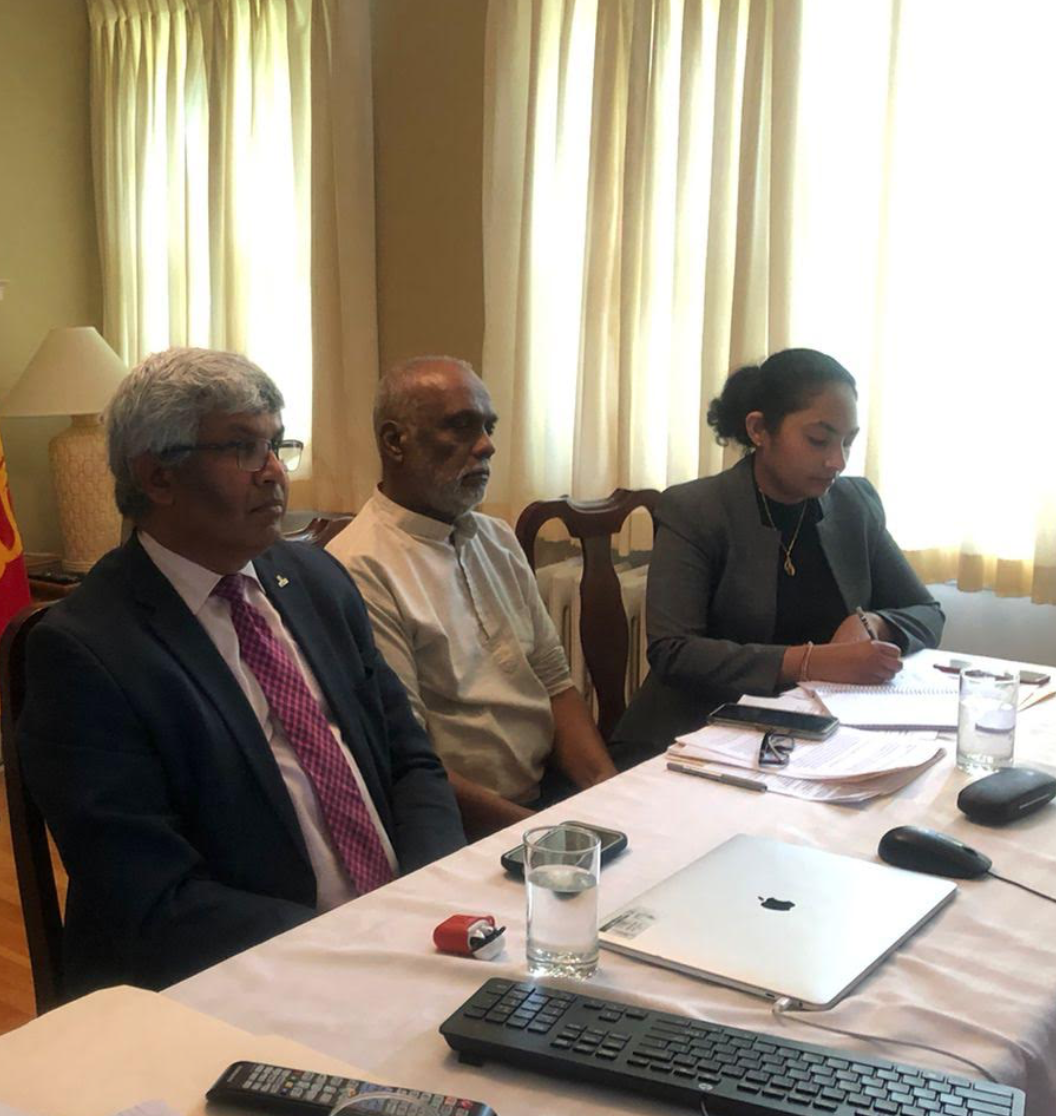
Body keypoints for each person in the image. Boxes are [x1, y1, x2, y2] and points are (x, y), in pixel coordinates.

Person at [19, 348, 465, 995]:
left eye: (277, 445)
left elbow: (409, 758)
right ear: (158, 476)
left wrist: (426, 896)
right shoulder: (85, 651)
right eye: (243, 448)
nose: (274, 473)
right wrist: (350, 945)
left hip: (401, 935)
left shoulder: (316, 579)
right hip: (238, 982)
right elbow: (151, 895)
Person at [611, 349, 945, 765]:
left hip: (811, 738)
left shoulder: (854, 503)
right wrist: (809, 661)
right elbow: (674, 651)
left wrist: (873, 622)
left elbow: (928, 613)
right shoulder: (696, 509)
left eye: (847, 441)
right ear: (759, 429)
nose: (837, 461)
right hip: (696, 734)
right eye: (818, 440)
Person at [329, 357, 615, 838]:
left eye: (488, 427)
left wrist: (610, 800)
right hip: (461, 826)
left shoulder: (496, 538)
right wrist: (545, 840)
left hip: (544, 802)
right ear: (395, 442)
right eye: (461, 426)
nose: (486, 445)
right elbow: (409, 762)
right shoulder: (358, 567)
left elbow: (555, 685)